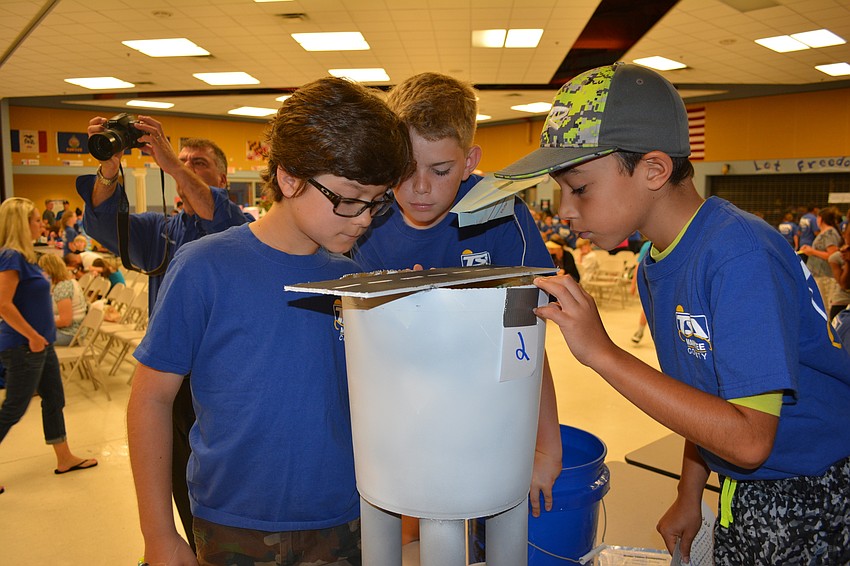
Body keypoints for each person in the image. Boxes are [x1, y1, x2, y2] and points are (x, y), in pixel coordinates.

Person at [495, 62, 850, 564]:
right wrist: (690, 491)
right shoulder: (657, 263)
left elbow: (750, 440)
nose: (566, 211)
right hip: (744, 488)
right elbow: (702, 397)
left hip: (812, 491)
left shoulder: (737, 254)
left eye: (579, 188)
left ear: (654, 170)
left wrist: (603, 353)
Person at [126, 76, 411, 566]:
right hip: (231, 524)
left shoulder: (352, 279)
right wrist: (159, 535)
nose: (365, 218)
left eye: (378, 201)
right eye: (349, 198)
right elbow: (150, 398)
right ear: (289, 178)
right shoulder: (204, 267)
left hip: (340, 518)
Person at [351, 72, 562, 553]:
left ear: (470, 161)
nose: (420, 187)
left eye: (441, 170)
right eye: (405, 169)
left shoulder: (500, 212)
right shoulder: (367, 219)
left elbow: (527, 341)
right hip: (394, 421)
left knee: (499, 527)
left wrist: (545, 445)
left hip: (490, 418)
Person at [78, 118, 254, 552]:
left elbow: (215, 213)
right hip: (171, 381)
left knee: (225, 479)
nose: (187, 166)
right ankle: (193, 549)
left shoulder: (236, 225)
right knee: (180, 478)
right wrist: (108, 168)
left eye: (200, 163)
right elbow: (102, 224)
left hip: (225, 381)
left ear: (222, 178)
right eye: (185, 160)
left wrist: (173, 163)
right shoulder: (161, 230)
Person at [0, 197, 98, 495]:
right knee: (14, 408)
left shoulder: (26, 256)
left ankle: (64, 456)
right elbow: (3, 304)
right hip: (25, 345)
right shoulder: (11, 256)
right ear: (20, 223)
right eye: (35, 220)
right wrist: (31, 335)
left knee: (54, 398)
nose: (41, 224)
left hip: (41, 344)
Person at [37, 254, 88, 346]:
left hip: (69, 334)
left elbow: (65, 321)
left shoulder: (62, 287)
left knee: (28, 339)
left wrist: (42, 323)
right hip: (75, 331)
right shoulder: (70, 282)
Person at [799, 207, 843, 311]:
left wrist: (812, 251)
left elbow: (832, 256)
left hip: (826, 277)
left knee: (826, 307)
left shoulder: (830, 233)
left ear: (820, 218)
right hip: (819, 276)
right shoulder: (824, 233)